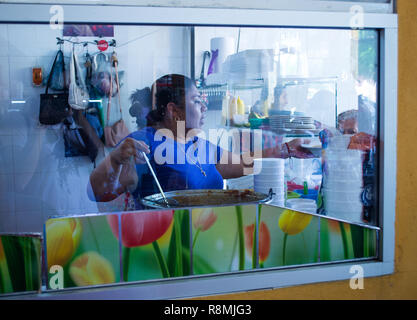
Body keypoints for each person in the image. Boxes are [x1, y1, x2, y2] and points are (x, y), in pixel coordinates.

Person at [88, 74, 313, 209]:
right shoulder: (143, 143)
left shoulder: (194, 142)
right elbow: (95, 193)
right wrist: (116, 158)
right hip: (163, 247)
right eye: (197, 101)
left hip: (204, 239)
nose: (204, 107)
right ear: (173, 110)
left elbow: (241, 163)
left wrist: (285, 149)